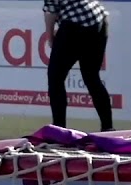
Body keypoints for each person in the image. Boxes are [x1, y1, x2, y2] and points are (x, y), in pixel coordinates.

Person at [43, 0, 113, 131]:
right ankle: (108, 128)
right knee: (92, 77)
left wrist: (50, 39)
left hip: (76, 25)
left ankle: (59, 129)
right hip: (99, 19)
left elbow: (50, 13)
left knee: (55, 78)